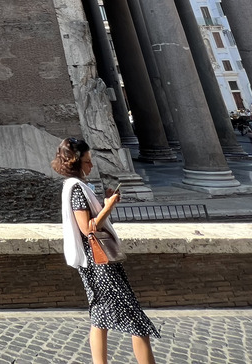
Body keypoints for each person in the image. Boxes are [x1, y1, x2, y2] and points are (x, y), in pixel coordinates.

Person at [54, 138, 158, 364]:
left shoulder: (75, 187)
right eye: (88, 161)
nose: (91, 166)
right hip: (99, 262)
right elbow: (87, 228)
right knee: (136, 322)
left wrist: (103, 204)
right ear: (76, 162)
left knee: (99, 317)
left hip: (94, 263)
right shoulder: (76, 190)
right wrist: (109, 207)